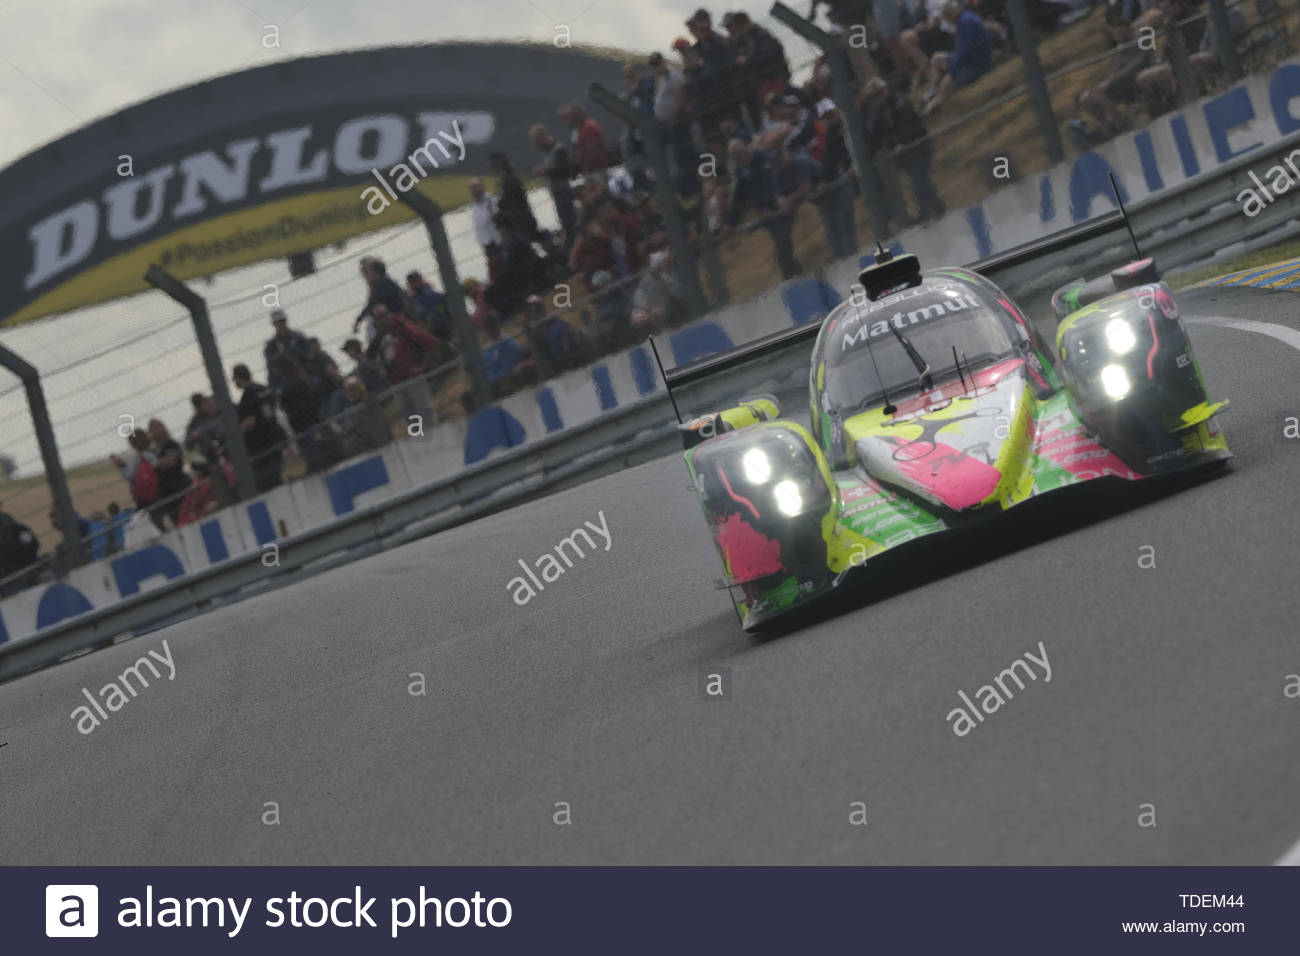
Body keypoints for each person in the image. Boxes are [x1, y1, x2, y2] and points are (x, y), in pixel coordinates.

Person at [372, 303, 439, 429]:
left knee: (427, 419)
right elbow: (371, 357)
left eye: (383, 316)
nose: (381, 320)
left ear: (389, 314)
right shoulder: (379, 336)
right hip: (396, 383)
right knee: (413, 425)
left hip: (413, 378)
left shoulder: (403, 327)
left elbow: (430, 342)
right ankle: (423, 447)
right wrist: (382, 369)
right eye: (377, 318)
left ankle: (440, 442)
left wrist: (422, 366)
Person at [923, 2, 993, 116]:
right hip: (969, 60)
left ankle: (936, 108)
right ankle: (933, 90)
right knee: (936, 58)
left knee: (946, 83)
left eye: (947, 18)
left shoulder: (965, 23)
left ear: (951, 14)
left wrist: (951, 73)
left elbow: (962, 54)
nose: (948, 22)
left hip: (977, 65)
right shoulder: (964, 17)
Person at [232, 363, 287, 492]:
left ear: (238, 377)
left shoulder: (248, 394)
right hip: (273, 438)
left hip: (259, 445)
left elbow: (249, 421)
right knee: (277, 477)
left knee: (267, 485)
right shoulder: (264, 388)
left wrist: (234, 436)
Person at [530, 123, 579, 248]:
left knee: (570, 222)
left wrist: (546, 171)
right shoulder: (547, 153)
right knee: (565, 221)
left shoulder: (559, 150)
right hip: (557, 192)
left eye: (536, 141)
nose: (536, 145)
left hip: (564, 191)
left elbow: (565, 169)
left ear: (542, 137)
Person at [353, 256, 410, 344]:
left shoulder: (382, 284)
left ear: (375, 272)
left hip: (397, 321)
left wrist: (359, 320)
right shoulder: (382, 283)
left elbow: (372, 305)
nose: (365, 276)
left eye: (367, 272)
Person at [480, 314, 539, 397]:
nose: (491, 330)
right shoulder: (486, 350)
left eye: (493, 327)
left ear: (498, 326)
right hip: (495, 382)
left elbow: (515, 360)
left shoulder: (508, 342)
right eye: (488, 328)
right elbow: (488, 371)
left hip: (509, 379)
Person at [147, 418, 192, 528]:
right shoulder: (151, 451)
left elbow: (171, 461)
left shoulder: (172, 445)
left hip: (178, 485)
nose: (155, 431)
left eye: (158, 427)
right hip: (163, 491)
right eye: (152, 429)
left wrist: (155, 463)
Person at [110, 429, 161, 525]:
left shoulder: (141, 457)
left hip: (144, 496)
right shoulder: (153, 452)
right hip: (155, 492)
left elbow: (132, 476)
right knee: (156, 520)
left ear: (133, 445)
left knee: (151, 523)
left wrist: (122, 466)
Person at [631, 249, 686, 334]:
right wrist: (648, 312)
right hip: (651, 309)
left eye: (661, 265)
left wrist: (666, 277)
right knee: (638, 317)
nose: (658, 268)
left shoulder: (671, 273)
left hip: (672, 308)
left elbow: (679, 293)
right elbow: (639, 298)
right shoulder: (647, 280)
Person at [337, 376, 393, 457]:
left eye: (353, 389)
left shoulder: (370, 400)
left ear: (360, 388)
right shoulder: (349, 408)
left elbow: (366, 420)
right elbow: (348, 427)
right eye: (348, 390)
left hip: (376, 438)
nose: (351, 393)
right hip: (361, 443)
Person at [489, 152, 539, 241]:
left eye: (493, 167)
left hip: (520, 224)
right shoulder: (506, 181)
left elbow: (511, 202)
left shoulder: (509, 181)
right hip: (520, 222)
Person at [263, 310, 313, 391]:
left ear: (286, 321)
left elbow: (310, 355)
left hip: (305, 381)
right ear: (274, 324)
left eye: (283, 321)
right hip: (286, 386)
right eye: (278, 322)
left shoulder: (299, 338)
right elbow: (271, 369)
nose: (281, 324)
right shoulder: (271, 346)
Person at [557, 103, 610, 174]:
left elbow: (593, 150)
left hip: (596, 169)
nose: (572, 119)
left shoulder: (588, 127)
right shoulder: (580, 129)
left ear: (580, 114)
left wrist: (587, 168)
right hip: (593, 169)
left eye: (573, 115)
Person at [0, 506, 40, 597]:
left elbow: (33, 545)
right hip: (29, 570)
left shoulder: (16, 528)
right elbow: (34, 545)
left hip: (10, 579)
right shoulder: (18, 527)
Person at [406, 270, 453, 340]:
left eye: (416, 280)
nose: (415, 283)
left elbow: (446, 305)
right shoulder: (412, 301)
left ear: (421, 279)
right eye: (412, 281)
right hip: (431, 333)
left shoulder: (431, 293)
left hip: (445, 327)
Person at [467, 177, 501, 253]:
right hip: (487, 246)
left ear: (482, 186)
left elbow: (501, 221)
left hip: (497, 243)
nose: (475, 190)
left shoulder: (492, 200)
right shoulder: (474, 207)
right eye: (472, 188)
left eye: (476, 186)